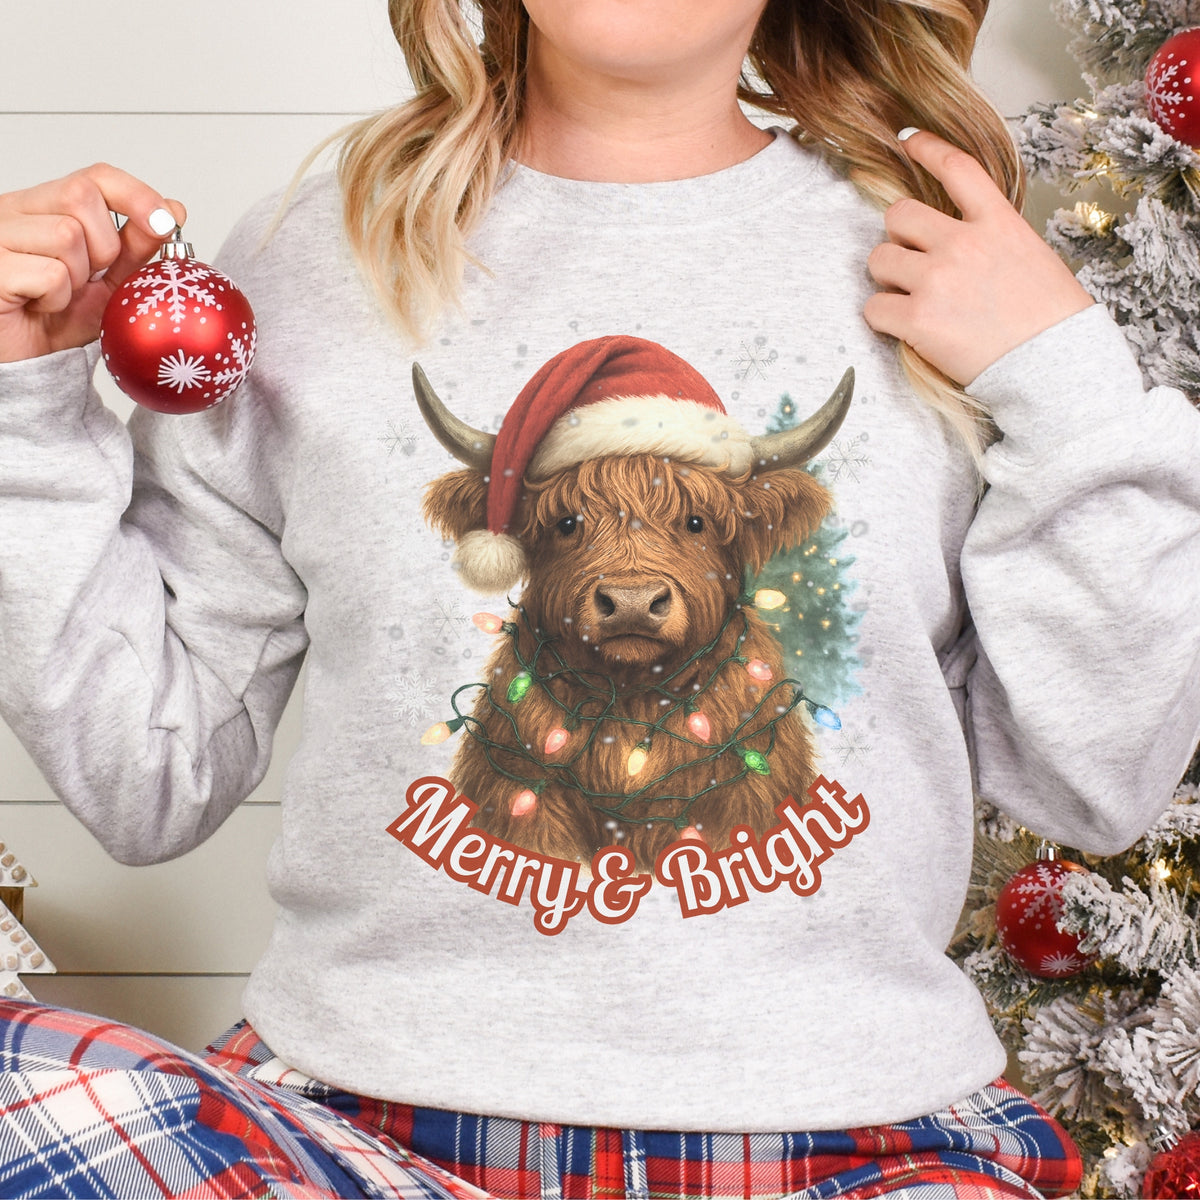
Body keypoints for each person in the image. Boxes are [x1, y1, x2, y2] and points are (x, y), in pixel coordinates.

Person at [0, 1, 1198, 1196]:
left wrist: (1060, 370)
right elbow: (146, 781)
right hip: (368, 1141)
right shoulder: (315, 257)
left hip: (857, 1151)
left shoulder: (940, 268)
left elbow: (1093, 783)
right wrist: (28, 403)